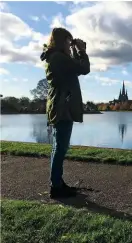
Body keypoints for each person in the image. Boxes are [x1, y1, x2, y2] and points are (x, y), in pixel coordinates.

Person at [40, 27, 90, 198]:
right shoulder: (59, 58)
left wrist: (76, 51)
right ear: (62, 41)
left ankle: (57, 183)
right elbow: (84, 68)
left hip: (59, 106)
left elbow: (76, 68)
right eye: (69, 42)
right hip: (63, 107)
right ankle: (56, 187)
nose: (70, 45)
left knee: (58, 147)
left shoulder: (56, 57)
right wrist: (81, 50)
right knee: (60, 148)